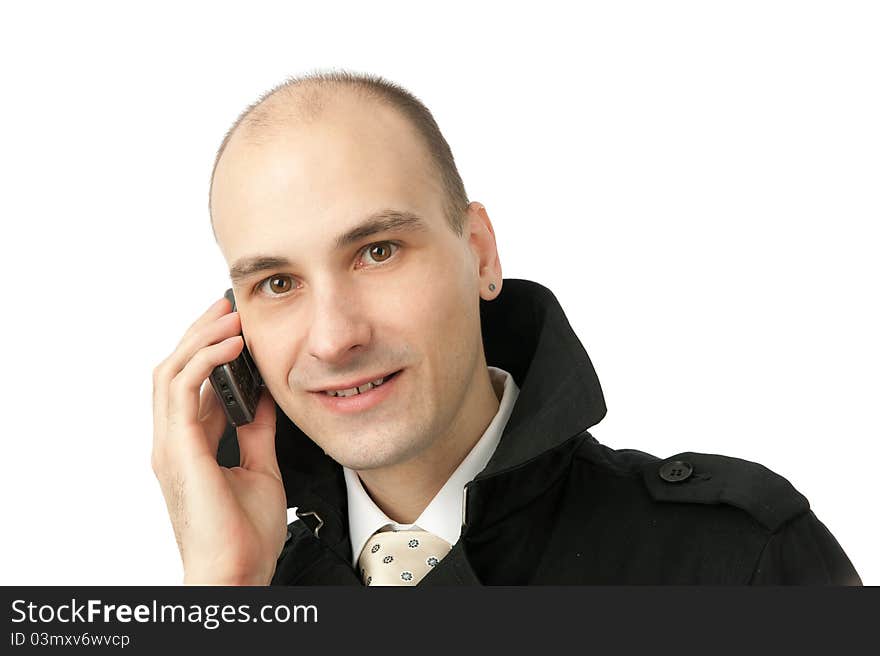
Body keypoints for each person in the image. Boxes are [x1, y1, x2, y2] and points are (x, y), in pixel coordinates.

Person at [151, 70, 862, 586]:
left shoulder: (737, 561)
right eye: (277, 284)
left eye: (378, 251)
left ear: (480, 254)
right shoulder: (244, 585)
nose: (335, 338)